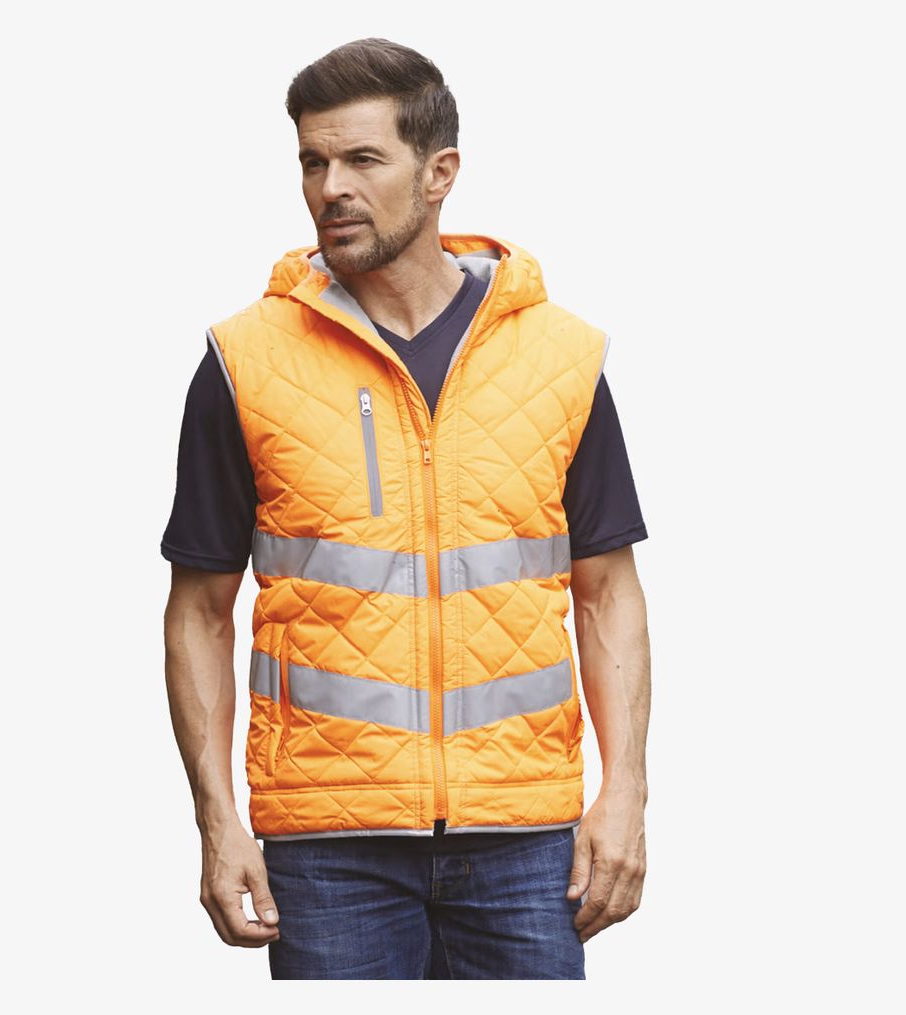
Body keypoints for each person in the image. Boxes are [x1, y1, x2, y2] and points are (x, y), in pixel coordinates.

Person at [162, 37, 651, 980]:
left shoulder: (559, 356)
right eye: (312, 162)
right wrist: (217, 822)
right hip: (326, 845)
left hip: (525, 837)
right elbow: (198, 610)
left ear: (439, 174)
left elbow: (607, 591)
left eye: (361, 159)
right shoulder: (243, 361)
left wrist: (624, 790)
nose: (330, 187)